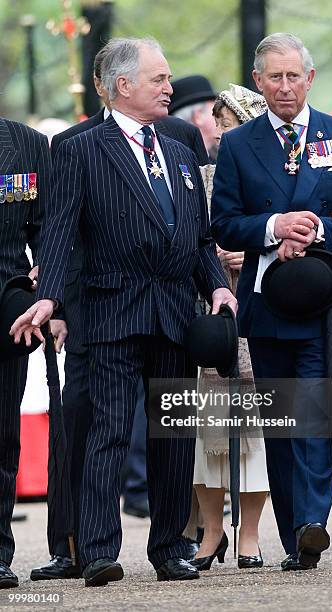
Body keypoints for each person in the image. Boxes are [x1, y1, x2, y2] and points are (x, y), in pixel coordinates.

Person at [11, 37, 236, 587]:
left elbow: (198, 236)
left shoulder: (181, 150)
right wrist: (51, 296)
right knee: (107, 434)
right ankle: (97, 550)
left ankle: (170, 549)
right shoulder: (79, 149)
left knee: (174, 437)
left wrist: (217, 287)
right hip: (112, 310)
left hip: (176, 313)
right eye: (159, 78)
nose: (169, 87)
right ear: (123, 86)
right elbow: (60, 231)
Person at [211, 32, 332, 572]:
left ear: (310, 79)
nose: (285, 87)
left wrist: (318, 228)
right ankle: (296, 537)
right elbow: (223, 222)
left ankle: (313, 521)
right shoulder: (239, 146)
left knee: (312, 411)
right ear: (259, 82)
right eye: (275, 77)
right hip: (266, 306)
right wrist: (272, 226)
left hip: (328, 305)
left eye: (294, 76)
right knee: (282, 424)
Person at [191, 84, 269, 571]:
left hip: (258, 306)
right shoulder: (199, 176)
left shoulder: (267, 177)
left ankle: (252, 535)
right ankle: (212, 529)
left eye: (232, 122)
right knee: (206, 430)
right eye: (219, 123)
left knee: (254, 430)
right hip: (209, 307)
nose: (223, 133)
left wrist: (251, 250)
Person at [0, 117, 51, 589]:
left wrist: (47, 284)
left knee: (2, 433)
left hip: (7, 309)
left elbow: (50, 229)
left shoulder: (29, 146)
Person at [169, 75, 217, 160]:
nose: (222, 117)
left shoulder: (217, 158)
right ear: (198, 116)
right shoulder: (178, 160)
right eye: (215, 110)